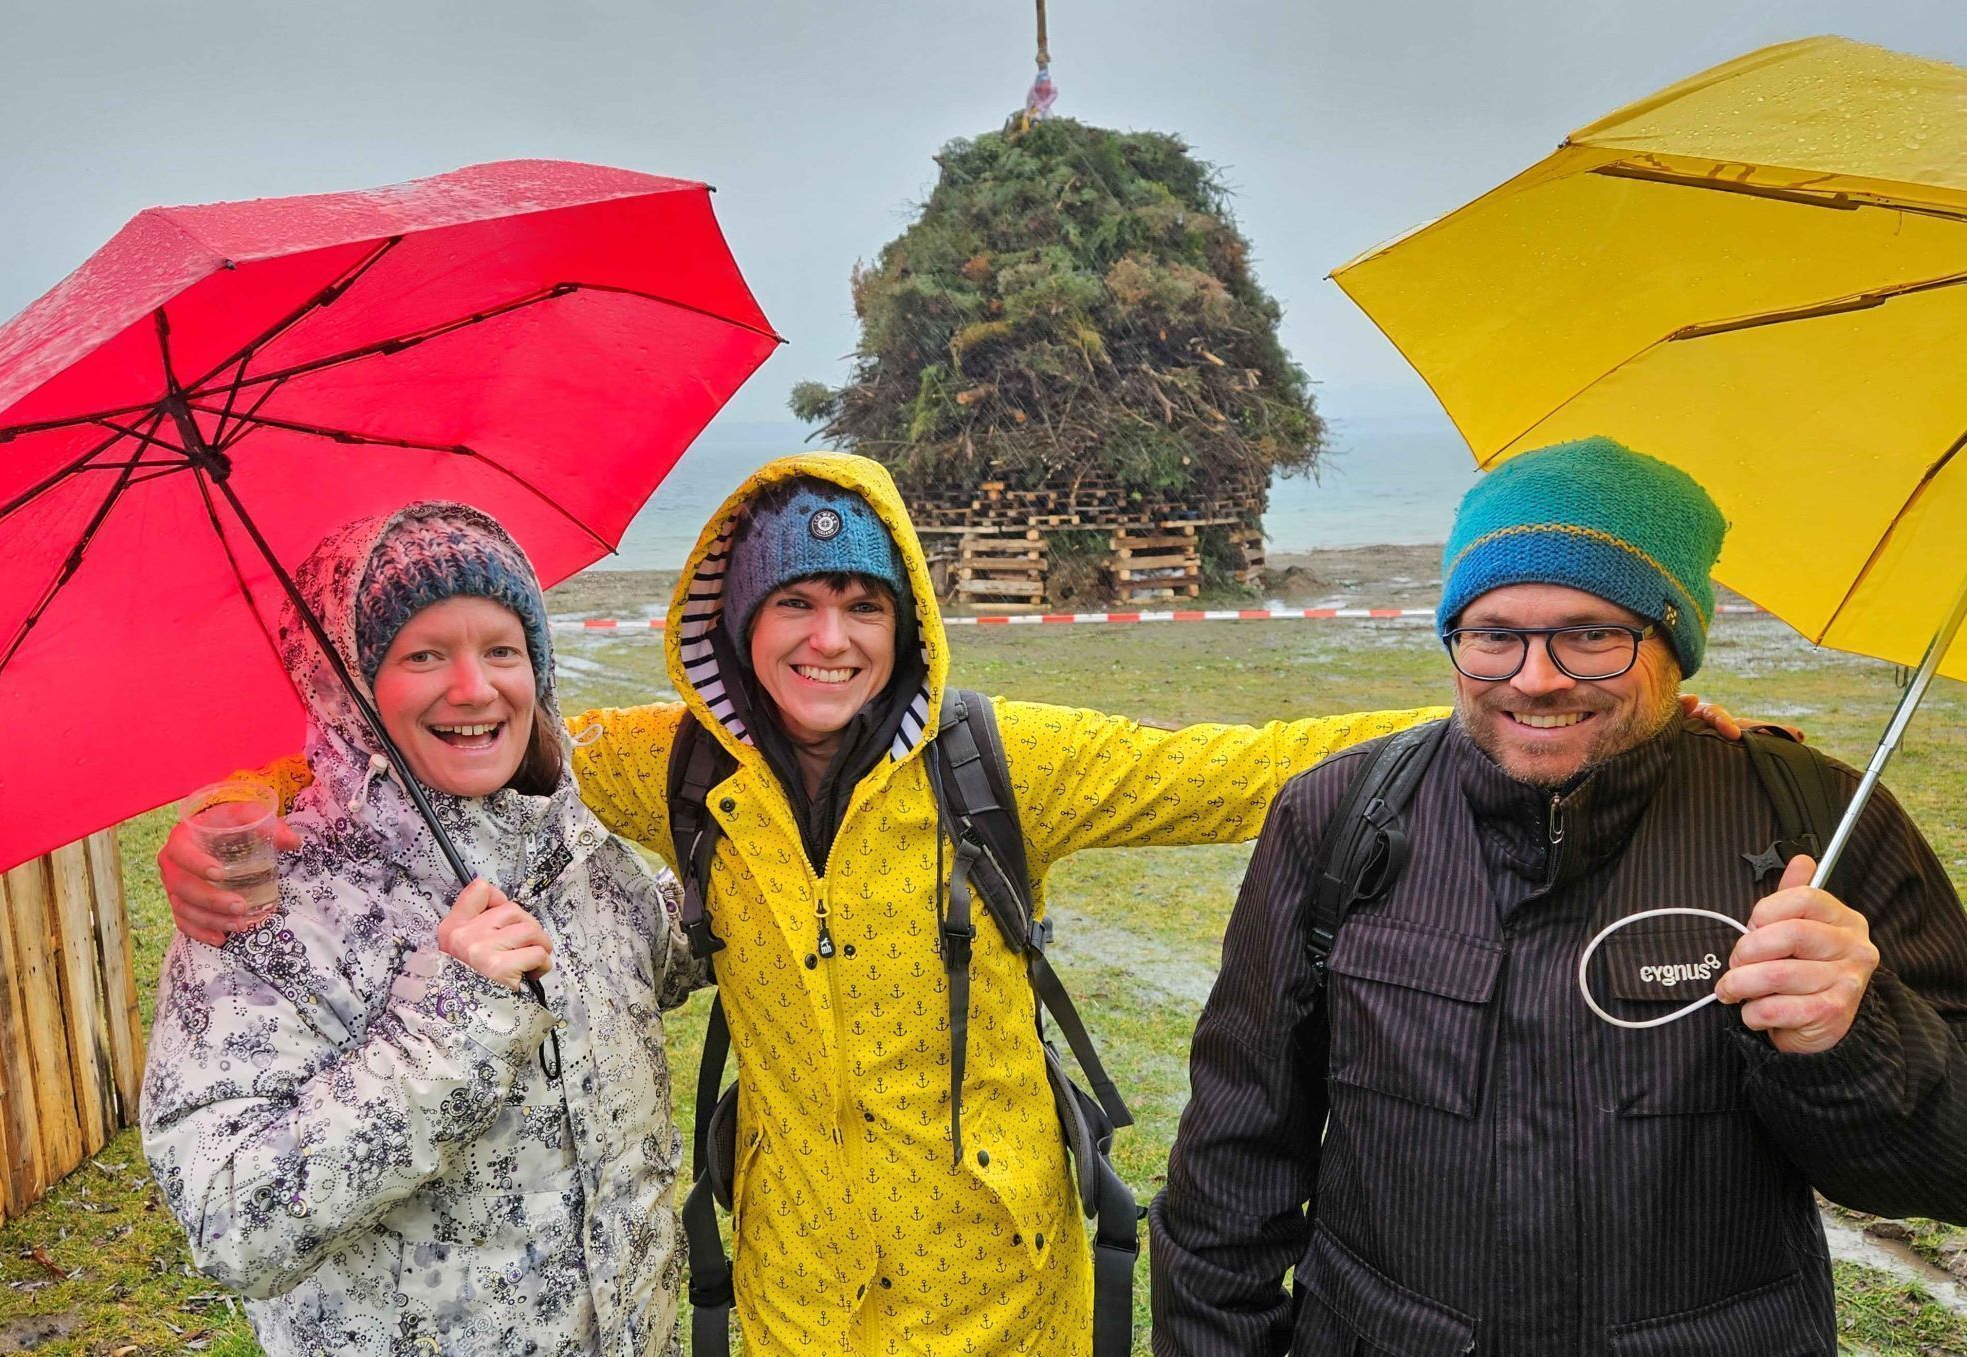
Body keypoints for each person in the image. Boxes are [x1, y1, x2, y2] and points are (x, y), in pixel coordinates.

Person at [160, 454, 1750, 1355]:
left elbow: (1236, 767)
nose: (831, 639)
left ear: (908, 615)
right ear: (735, 622)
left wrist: (1541, 711)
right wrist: (237, 797)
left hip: (1007, 1287)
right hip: (791, 1294)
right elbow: (422, 734)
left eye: (864, 602)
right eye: (797, 602)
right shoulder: (659, 767)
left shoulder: (1000, 760)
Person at [1148, 437, 1967, 1356]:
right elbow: (1232, 1167)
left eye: (1592, 634)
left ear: (1675, 646)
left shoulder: (1820, 825)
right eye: (1494, 634)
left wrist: (1849, 1040)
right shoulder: (1336, 816)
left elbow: (1949, 1167)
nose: (1537, 678)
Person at [140, 503, 702, 1356]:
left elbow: (658, 950)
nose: (474, 688)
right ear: (350, 687)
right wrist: (448, 1027)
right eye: (424, 655)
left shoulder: (573, 846)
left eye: (502, 650)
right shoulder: (262, 910)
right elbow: (231, 1222)